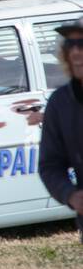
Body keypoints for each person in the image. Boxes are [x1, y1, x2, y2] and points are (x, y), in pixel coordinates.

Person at [41, 21, 83, 241]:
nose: (75, 51)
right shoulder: (60, 103)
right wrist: (71, 195)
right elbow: (50, 164)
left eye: (81, 43)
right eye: (70, 44)